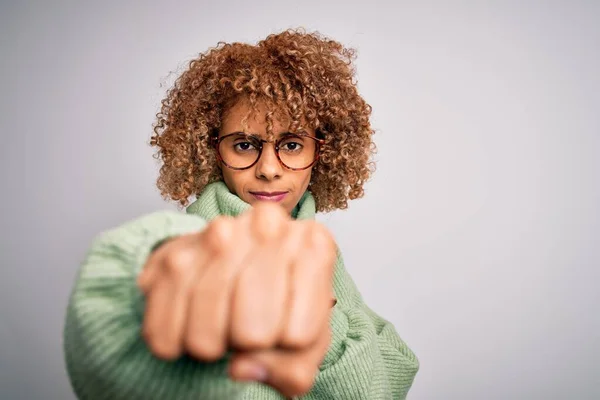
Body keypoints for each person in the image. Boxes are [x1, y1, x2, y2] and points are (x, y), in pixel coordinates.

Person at [63, 28, 419, 400]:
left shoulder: (320, 247)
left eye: (292, 144)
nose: (268, 168)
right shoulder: (186, 245)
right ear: (209, 148)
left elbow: (397, 368)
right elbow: (110, 343)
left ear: (324, 152)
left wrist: (322, 321)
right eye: (245, 144)